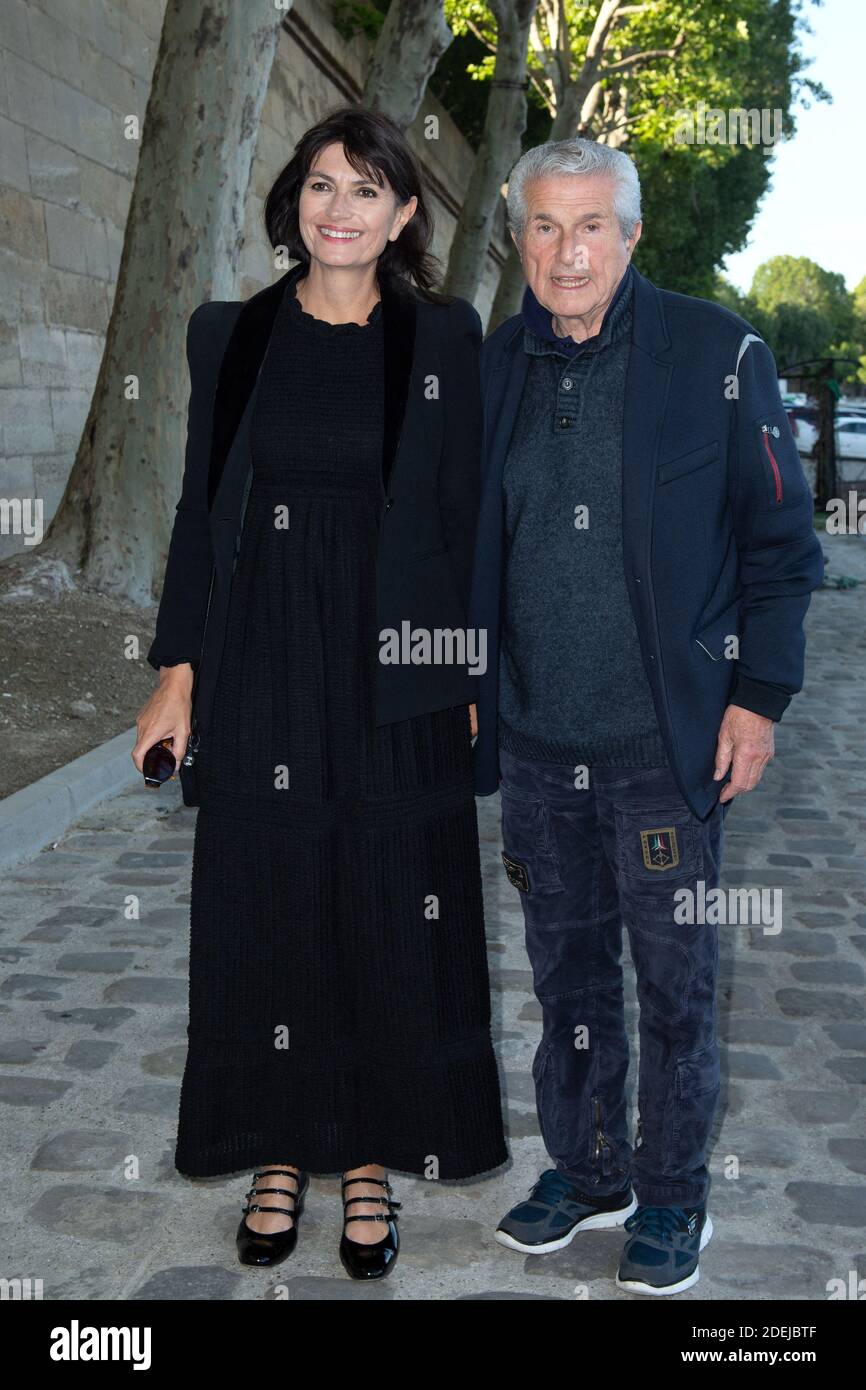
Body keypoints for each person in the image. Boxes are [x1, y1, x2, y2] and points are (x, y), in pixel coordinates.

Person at [133, 107, 506, 1281]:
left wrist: (468, 678)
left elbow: (467, 521)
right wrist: (175, 675)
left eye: (365, 189)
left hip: (399, 666)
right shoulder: (227, 337)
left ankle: (369, 1165)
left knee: (395, 906)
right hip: (262, 663)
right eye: (320, 185)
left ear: (403, 214)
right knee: (267, 899)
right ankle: (278, 1151)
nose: (337, 208)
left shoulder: (444, 336)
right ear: (295, 201)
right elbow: (201, 512)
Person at [470, 137, 823, 1295]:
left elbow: (781, 545)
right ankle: (588, 1170)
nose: (565, 253)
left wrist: (757, 700)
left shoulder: (715, 354)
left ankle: (672, 1195)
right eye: (542, 227)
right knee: (563, 975)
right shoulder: (493, 366)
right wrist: (465, 685)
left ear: (628, 235)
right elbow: (462, 547)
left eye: (589, 227)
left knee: (674, 984)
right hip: (534, 744)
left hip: (663, 746)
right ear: (516, 236)